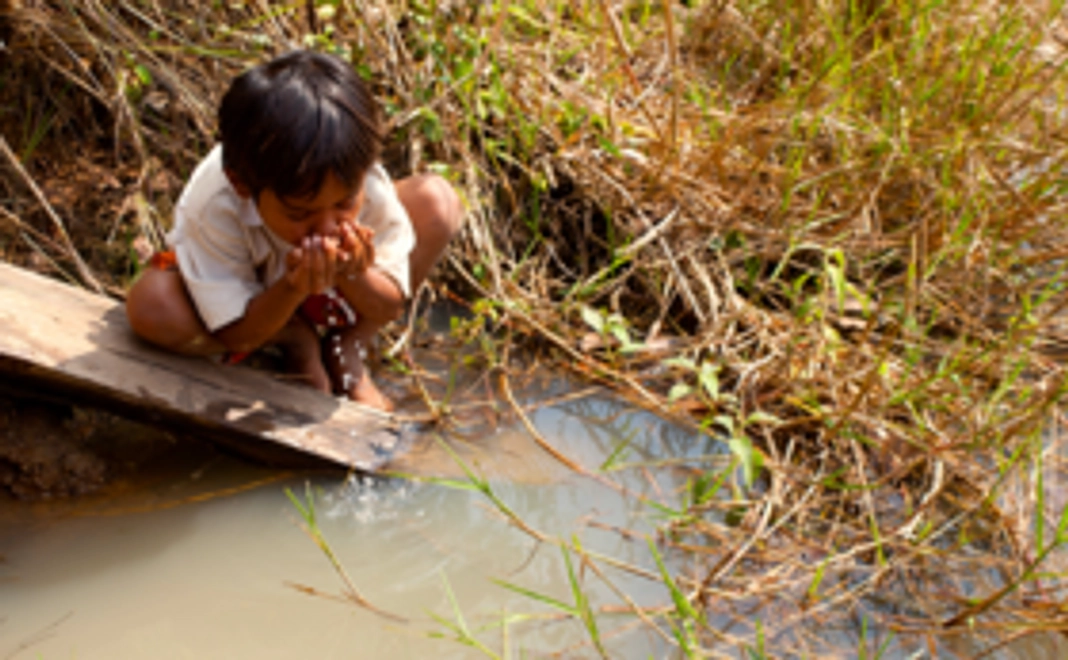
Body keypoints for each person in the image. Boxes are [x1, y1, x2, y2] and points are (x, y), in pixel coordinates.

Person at [125, 50, 462, 412]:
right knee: (152, 305)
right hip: (259, 302)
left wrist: (356, 273)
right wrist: (291, 287)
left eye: (344, 204)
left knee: (437, 204)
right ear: (242, 186)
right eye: (300, 212)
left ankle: (348, 345)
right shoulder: (214, 205)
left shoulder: (364, 185)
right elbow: (236, 332)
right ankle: (293, 339)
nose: (329, 227)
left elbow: (389, 305)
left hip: (334, 296)